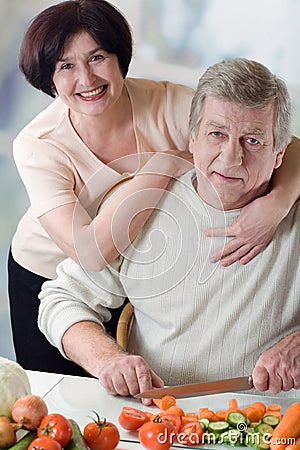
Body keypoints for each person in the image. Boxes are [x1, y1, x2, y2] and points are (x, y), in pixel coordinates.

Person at [9, 0, 300, 375]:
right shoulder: (37, 143)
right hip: (56, 263)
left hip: (144, 255)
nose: (86, 79)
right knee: (71, 383)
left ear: (119, 57)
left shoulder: (175, 104)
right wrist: (161, 165)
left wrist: (276, 203)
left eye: (97, 57)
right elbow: (91, 254)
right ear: (48, 75)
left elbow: (280, 140)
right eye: (66, 66)